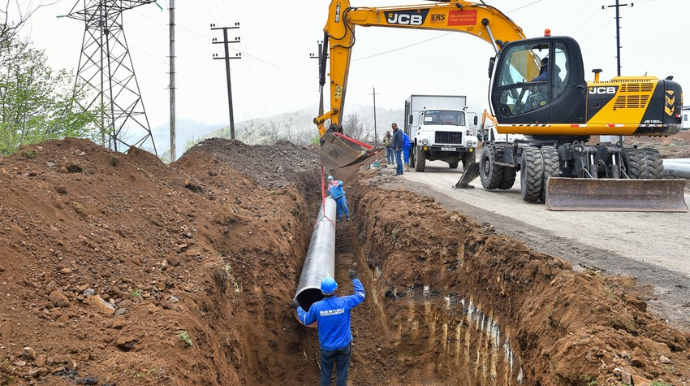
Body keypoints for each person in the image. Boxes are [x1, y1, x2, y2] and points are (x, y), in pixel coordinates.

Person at [293, 270, 365, 386]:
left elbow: (306, 319)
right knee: (342, 373)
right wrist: (354, 278)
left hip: (327, 348)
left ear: (322, 291)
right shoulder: (344, 302)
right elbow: (361, 295)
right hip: (343, 345)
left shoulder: (317, 307)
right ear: (336, 290)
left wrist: (298, 307)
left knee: (326, 375)